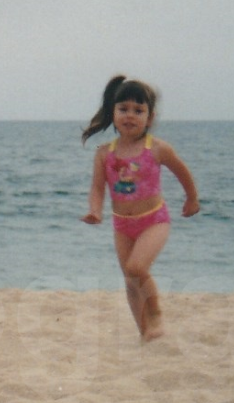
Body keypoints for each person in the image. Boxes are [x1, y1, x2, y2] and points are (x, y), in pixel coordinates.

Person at [80, 75, 199, 341]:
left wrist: (191, 198)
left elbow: (182, 171)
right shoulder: (104, 153)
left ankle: (155, 313)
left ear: (150, 117)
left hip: (154, 220)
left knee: (136, 268)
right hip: (122, 224)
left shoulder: (156, 148)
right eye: (123, 109)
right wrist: (95, 210)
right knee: (130, 280)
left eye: (138, 110)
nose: (130, 116)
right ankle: (145, 331)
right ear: (113, 113)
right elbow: (98, 188)